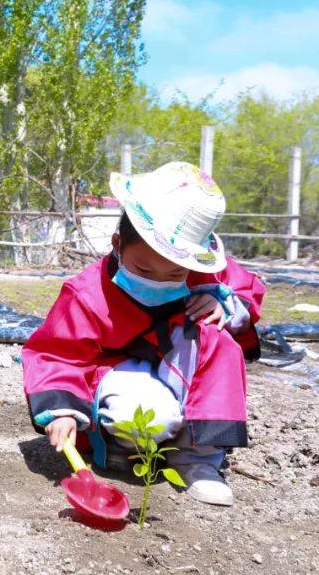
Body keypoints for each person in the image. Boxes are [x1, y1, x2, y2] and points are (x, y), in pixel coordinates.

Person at [22, 162, 265, 506]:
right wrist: (62, 410)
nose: (159, 280)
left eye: (175, 272)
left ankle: (197, 458)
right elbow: (56, 353)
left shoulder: (203, 272)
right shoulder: (87, 293)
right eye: (144, 269)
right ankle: (126, 446)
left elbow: (245, 287)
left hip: (176, 365)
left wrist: (226, 305)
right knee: (146, 420)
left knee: (217, 338)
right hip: (116, 374)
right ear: (118, 244)